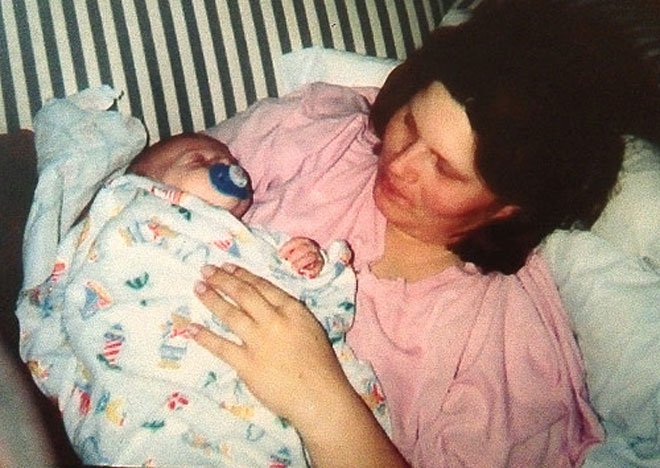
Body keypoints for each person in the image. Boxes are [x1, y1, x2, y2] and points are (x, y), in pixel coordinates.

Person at [188, 1, 660, 466]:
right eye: (410, 124)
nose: (400, 164)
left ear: (508, 207)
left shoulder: (502, 351)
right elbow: (140, 198)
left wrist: (320, 398)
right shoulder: (315, 137)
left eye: (445, 169)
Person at [17, 132, 389, 466]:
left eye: (231, 161)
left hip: (254, 392)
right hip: (149, 377)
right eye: (199, 160)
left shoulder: (256, 241)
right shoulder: (127, 212)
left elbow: (310, 312)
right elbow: (70, 283)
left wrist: (310, 268)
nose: (226, 165)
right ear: (147, 182)